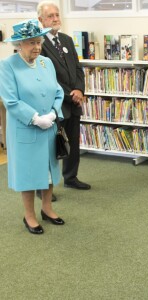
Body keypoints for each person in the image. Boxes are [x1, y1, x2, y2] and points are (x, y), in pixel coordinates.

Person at [0, 19, 65, 234]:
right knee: (28, 174)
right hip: (26, 130)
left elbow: (58, 92)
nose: (37, 47)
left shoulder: (46, 63)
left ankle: (47, 208)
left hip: (49, 128)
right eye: (31, 43)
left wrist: (54, 113)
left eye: (38, 42)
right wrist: (36, 118)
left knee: (48, 170)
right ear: (19, 45)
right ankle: (29, 216)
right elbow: (10, 101)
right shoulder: (7, 65)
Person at [36, 1, 91, 199]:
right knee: (50, 147)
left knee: (73, 143)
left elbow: (77, 68)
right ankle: (43, 187)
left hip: (74, 103)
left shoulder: (66, 40)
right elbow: (47, 77)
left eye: (57, 15)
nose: (55, 19)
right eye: (50, 16)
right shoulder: (38, 44)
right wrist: (70, 94)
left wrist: (79, 89)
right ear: (41, 20)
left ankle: (71, 177)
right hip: (54, 105)